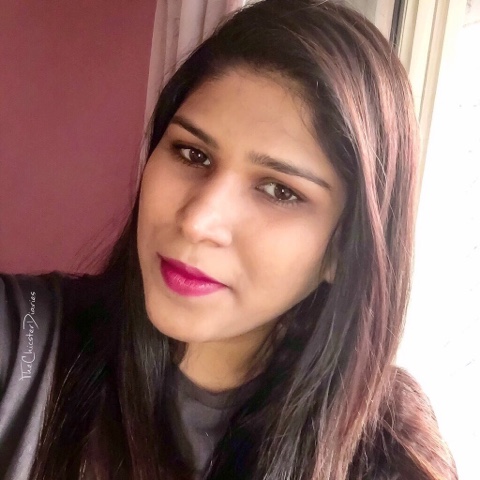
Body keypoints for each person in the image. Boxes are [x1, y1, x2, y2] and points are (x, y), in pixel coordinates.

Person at [0, 0, 458, 479]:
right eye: (192, 153)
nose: (198, 221)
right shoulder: (28, 341)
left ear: (343, 249)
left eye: (279, 191)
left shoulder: (389, 458)